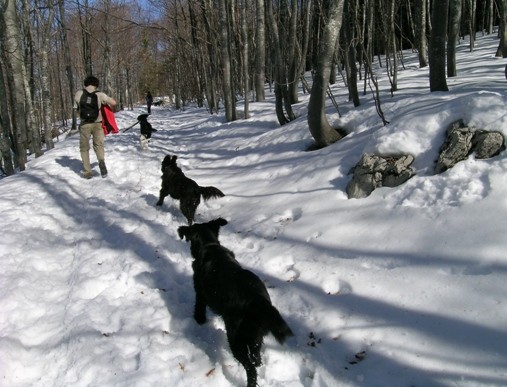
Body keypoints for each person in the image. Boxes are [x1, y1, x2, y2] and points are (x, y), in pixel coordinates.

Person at [74, 76, 117, 179]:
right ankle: (101, 162)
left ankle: (87, 171)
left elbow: (76, 110)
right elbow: (114, 103)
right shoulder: (100, 94)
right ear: (96, 84)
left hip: (84, 124)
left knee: (84, 148)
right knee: (98, 145)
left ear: (86, 83)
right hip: (98, 123)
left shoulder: (79, 94)